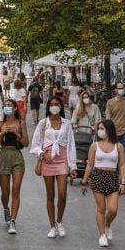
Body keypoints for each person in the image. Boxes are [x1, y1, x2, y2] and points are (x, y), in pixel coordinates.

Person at [30, 96, 77, 237]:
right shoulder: (43, 123)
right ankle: (52, 226)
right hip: (48, 161)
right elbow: (34, 145)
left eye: (57, 104)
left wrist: (73, 166)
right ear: (48, 107)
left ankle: (59, 221)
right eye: (52, 104)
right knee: (50, 195)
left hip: (62, 160)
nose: (54, 106)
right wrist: (43, 154)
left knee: (62, 194)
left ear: (61, 106)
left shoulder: (67, 123)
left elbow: (71, 145)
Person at [80, 120, 125, 247]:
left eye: (102, 128)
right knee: (101, 208)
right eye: (98, 128)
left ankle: (107, 225)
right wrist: (84, 181)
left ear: (109, 130)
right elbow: (90, 164)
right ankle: (102, 235)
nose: (99, 130)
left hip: (112, 177)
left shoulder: (119, 146)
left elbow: (122, 165)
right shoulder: (94, 146)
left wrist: (123, 182)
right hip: (98, 177)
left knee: (113, 209)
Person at [0, 99, 29, 234]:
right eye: (5, 106)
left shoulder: (20, 123)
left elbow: (26, 143)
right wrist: (1, 133)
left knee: (15, 190)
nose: (6, 108)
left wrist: (17, 134)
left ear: (15, 108)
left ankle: (13, 221)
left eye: (9, 106)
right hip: (3, 156)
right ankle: (5, 209)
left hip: (16, 157)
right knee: (5, 193)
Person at [105, 82, 125, 183]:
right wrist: (108, 131)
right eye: (120, 88)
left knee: (124, 154)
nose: (122, 90)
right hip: (113, 133)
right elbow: (108, 117)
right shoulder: (110, 102)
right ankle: (116, 174)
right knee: (114, 155)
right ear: (115, 90)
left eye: (123, 88)